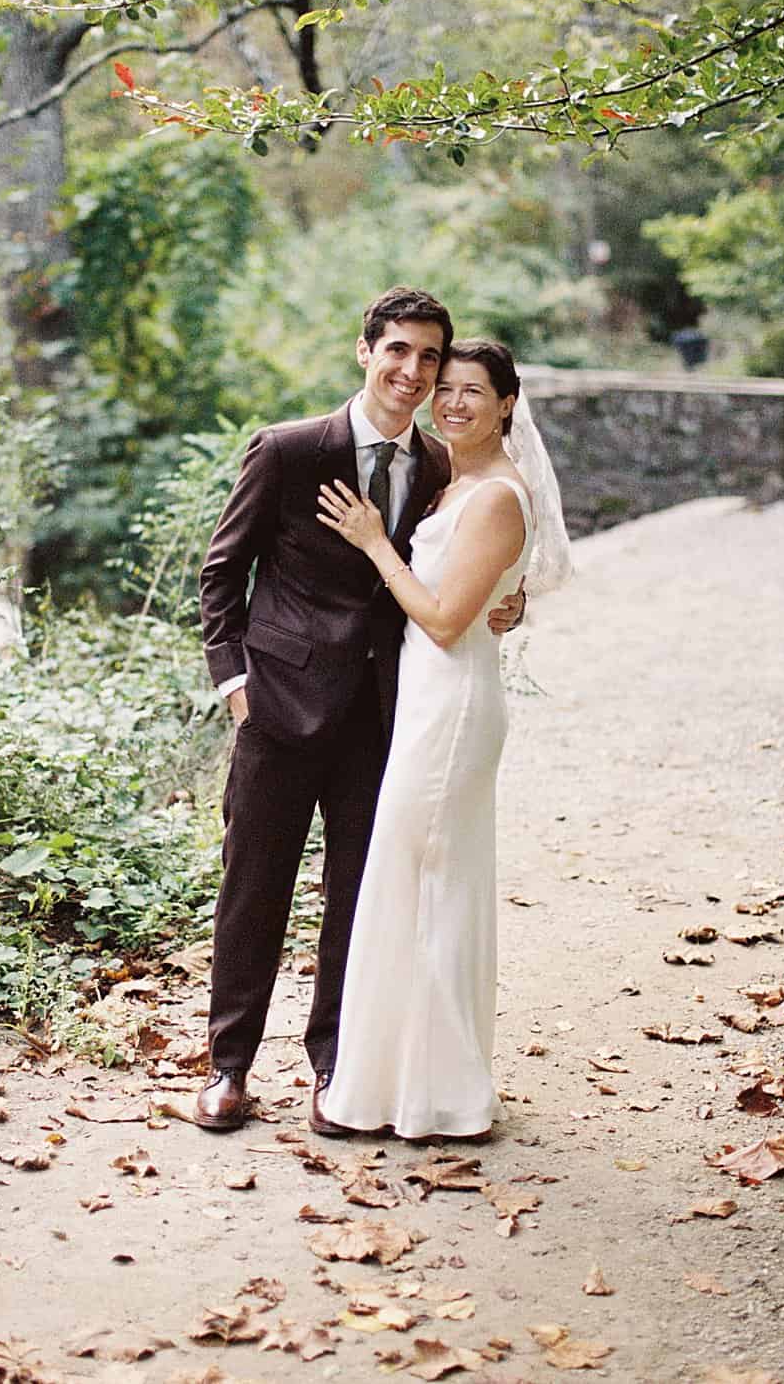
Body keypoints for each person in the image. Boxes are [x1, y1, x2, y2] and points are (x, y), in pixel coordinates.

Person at [192, 287, 526, 1135]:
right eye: (399, 352)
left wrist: (504, 604)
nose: (414, 373)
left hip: (388, 716)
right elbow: (222, 577)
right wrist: (237, 689)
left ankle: (335, 1065)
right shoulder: (291, 450)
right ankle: (228, 1067)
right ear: (364, 350)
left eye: (429, 358)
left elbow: (461, 576)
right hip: (276, 709)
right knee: (252, 889)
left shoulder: (449, 468)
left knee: (359, 895)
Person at [314, 339, 572, 1139]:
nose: (453, 401)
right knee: (419, 884)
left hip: (454, 703)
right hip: (426, 699)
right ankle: (397, 1084)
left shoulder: (496, 494)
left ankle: (440, 1094)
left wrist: (373, 542)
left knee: (424, 885)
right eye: (446, 388)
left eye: (474, 390)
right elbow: (481, 585)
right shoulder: (453, 477)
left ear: (506, 403)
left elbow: (443, 616)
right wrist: (510, 591)